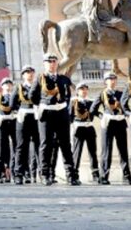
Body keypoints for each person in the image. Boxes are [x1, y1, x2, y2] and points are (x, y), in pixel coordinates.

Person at [29, 53, 78, 186]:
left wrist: (64, 106)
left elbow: (68, 95)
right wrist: (42, 104)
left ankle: (71, 175)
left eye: (54, 61)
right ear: (45, 64)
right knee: (46, 144)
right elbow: (32, 95)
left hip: (61, 113)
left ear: (57, 63)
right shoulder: (40, 79)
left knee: (65, 144)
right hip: (47, 114)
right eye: (49, 61)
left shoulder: (63, 79)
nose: (52, 64)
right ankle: (45, 174)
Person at [90, 72, 131, 185]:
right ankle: (103, 176)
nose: (113, 81)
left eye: (114, 79)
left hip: (120, 122)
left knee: (123, 151)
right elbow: (92, 109)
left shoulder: (121, 93)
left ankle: (127, 176)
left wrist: (128, 114)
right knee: (106, 151)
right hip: (108, 123)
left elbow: (125, 106)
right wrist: (102, 116)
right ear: (106, 81)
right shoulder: (102, 94)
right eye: (110, 79)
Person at [11, 65, 40, 185]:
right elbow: (12, 104)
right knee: (21, 147)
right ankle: (19, 174)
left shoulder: (38, 87)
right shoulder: (19, 88)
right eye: (27, 72)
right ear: (23, 75)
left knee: (39, 146)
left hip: (36, 117)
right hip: (23, 118)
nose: (30, 74)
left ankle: (43, 173)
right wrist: (19, 111)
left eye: (32, 72)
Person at [70, 82, 99, 185]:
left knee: (93, 152)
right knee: (77, 153)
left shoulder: (91, 101)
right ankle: (74, 174)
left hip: (89, 127)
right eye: (82, 89)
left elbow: (94, 112)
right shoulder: (73, 102)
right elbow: (70, 116)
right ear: (77, 91)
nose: (84, 91)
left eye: (86, 89)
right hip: (78, 128)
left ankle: (95, 174)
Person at [0, 78, 16, 183]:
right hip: (2, 124)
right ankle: (0, 173)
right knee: (1, 148)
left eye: (9, 84)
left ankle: (16, 172)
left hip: (13, 122)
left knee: (17, 147)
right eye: (5, 84)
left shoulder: (15, 96)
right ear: (2, 86)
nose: (8, 86)